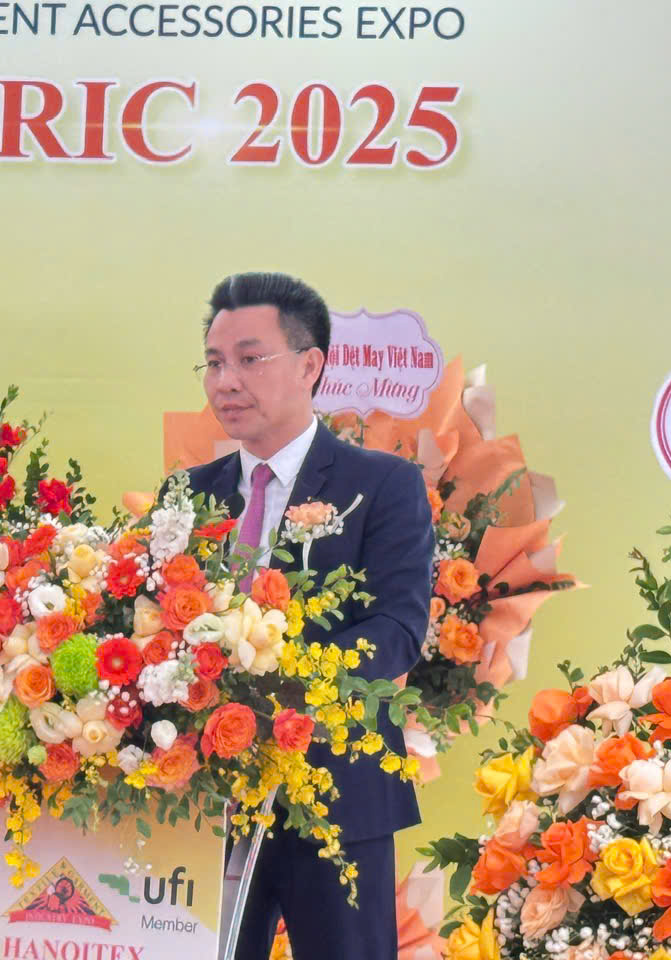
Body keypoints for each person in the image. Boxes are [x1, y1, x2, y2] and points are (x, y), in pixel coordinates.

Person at [183, 272, 434, 960]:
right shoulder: (189, 496)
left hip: (337, 790)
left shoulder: (382, 485)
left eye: (248, 359)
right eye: (213, 363)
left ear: (309, 365)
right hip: (204, 801)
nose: (225, 382)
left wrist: (281, 689)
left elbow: (397, 629)